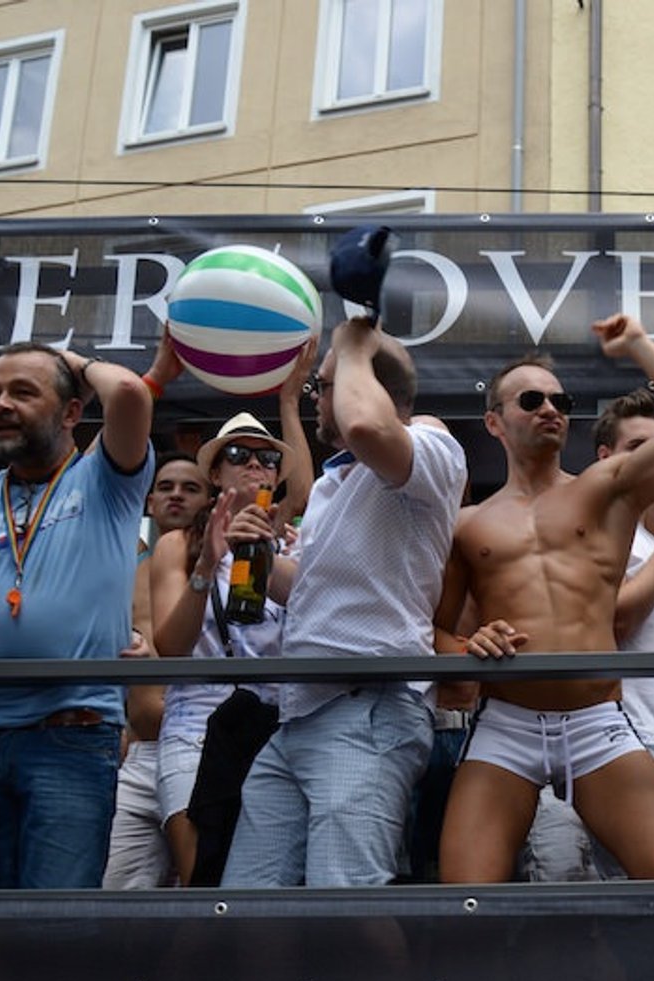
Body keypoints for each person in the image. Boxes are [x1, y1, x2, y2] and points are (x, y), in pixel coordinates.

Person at [435, 314, 654, 883]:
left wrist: (640, 345)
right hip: (506, 723)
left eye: (560, 400)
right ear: (494, 422)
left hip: (596, 720)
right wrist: (469, 646)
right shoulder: (467, 525)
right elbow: (432, 633)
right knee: (465, 896)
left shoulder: (607, 488)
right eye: (531, 399)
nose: (550, 409)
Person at [220, 319, 466, 889]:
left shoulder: (432, 444)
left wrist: (353, 344)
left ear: (368, 387)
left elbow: (364, 423)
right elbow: (305, 589)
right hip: (301, 711)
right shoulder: (334, 485)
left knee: (348, 899)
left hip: (368, 708)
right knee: (248, 904)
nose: (316, 400)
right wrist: (256, 550)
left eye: (322, 386)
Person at [0, 341, 154, 888]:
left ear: (71, 413)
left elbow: (132, 393)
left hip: (70, 735)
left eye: (23, 392)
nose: (1, 405)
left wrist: (77, 364)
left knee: (54, 925)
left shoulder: (104, 482)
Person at [149, 406, 309, 885]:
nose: (255, 463)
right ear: (215, 473)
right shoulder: (180, 543)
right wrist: (207, 566)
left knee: (262, 883)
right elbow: (171, 649)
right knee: (203, 878)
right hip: (197, 726)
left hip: (271, 730)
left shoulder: (297, 546)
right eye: (238, 454)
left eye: (267, 458)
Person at [102, 450, 216, 890]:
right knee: (115, 890)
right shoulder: (124, 567)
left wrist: (287, 401)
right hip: (140, 752)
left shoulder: (226, 568)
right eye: (166, 487)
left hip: (200, 746)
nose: (176, 496)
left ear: (209, 500)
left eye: (190, 488)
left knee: (200, 887)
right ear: (148, 501)